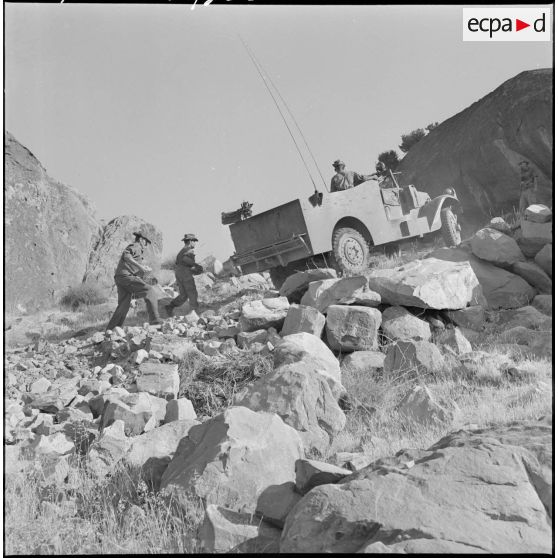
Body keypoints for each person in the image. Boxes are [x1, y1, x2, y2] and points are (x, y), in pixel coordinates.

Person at [107, 232, 162, 330]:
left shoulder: (138, 251)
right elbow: (126, 256)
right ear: (141, 240)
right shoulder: (136, 246)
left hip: (121, 278)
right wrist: (141, 267)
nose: (146, 245)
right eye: (146, 242)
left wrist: (144, 272)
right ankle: (155, 321)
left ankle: (112, 330)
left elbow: (132, 267)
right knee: (149, 291)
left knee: (124, 305)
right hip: (126, 277)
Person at [166, 233, 203, 317]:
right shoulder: (189, 250)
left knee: (184, 295)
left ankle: (170, 306)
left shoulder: (181, 251)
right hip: (185, 274)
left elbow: (179, 262)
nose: (195, 243)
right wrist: (197, 266)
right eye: (194, 241)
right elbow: (186, 260)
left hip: (179, 273)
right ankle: (195, 312)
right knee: (192, 293)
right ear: (190, 241)